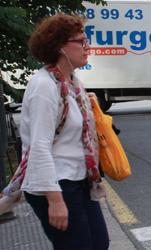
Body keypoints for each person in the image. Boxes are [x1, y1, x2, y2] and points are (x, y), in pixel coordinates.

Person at [17, 13, 109, 249]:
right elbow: (39, 146)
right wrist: (55, 201)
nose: (87, 47)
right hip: (56, 184)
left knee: (99, 243)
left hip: (78, 179)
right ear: (60, 47)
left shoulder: (72, 83)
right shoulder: (44, 87)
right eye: (81, 41)